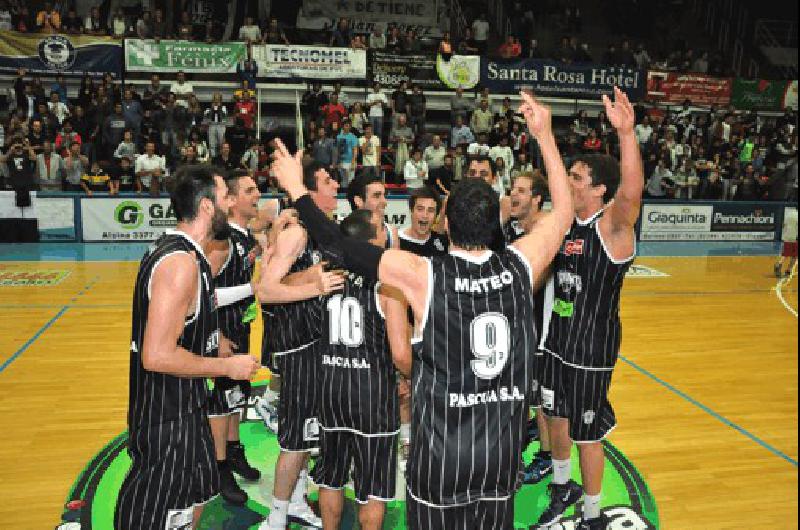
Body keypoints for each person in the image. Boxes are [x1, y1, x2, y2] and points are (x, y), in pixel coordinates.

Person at [271, 89, 573, 530]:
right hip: (501, 455)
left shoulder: (423, 274)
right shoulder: (521, 265)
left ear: (446, 224)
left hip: (441, 457)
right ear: (496, 226)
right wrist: (544, 136)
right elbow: (563, 211)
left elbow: (338, 245)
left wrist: (297, 187)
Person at [114, 165, 259, 530]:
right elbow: (157, 355)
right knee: (151, 515)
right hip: (166, 416)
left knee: (190, 505)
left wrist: (216, 336)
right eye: (226, 195)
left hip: (186, 408)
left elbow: (195, 308)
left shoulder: (187, 254)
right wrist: (226, 368)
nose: (231, 203)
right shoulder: (180, 262)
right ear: (208, 206)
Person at [537, 87, 644, 530]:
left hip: (591, 349)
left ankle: (594, 514)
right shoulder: (565, 222)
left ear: (600, 189)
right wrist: (543, 137)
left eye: (578, 177)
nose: (570, 181)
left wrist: (626, 134)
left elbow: (632, 193)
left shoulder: (612, 227)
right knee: (554, 415)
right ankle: (564, 487)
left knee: (587, 431)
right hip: (559, 340)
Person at [315, 209, 411, 530]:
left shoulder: (326, 276)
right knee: (372, 491)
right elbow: (400, 353)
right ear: (373, 241)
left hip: (331, 388)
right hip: (371, 396)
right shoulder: (386, 285)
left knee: (331, 479)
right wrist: (413, 376)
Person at [259, 162, 342, 530]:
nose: (336, 184)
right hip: (298, 349)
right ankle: (276, 517)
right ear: (309, 191)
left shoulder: (318, 231)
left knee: (308, 433)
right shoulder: (297, 234)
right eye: (327, 180)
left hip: (315, 345)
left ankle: (294, 501)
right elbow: (264, 291)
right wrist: (315, 287)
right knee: (296, 439)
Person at [398, 186, 449, 256]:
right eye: (420, 209)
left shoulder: (443, 241)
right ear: (411, 211)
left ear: (436, 215)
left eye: (430, 210)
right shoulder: (396, 242)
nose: (425, 215)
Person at [335, 120, 359, 187]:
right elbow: (337, 150)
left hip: (350, 161)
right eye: (346, 125)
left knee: (350, 181)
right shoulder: (338, 137)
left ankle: (350, 195)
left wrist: (353, 161)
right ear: (343, 126)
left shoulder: (353, 137)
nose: (347, 127)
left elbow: (355, 150)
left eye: (348, 126)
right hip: (341, 161)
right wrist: (338, 161)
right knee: (343, 181)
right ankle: (344, 195)